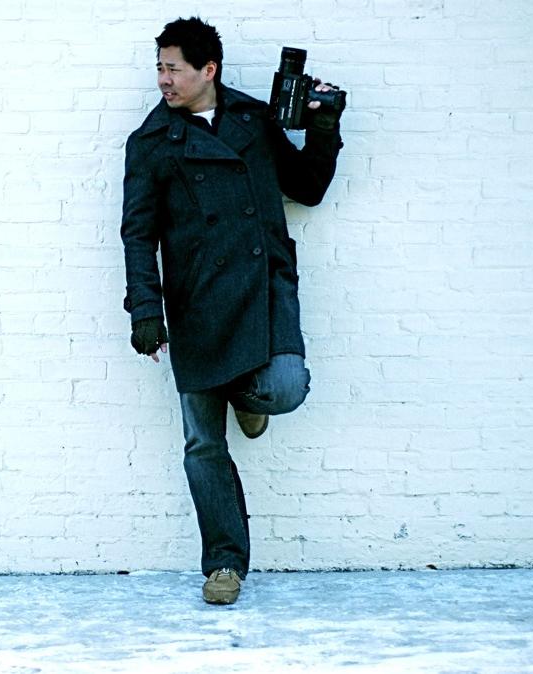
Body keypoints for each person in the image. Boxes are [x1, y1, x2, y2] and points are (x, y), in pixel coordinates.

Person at [119, 17, 343, 605]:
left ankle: (248, 397)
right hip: (195, 299)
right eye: (159, 68)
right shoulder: (152, 142)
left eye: (174, 69)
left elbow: (308, 188)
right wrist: (145, 309)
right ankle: (224, 565)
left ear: (208, 70)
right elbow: (138, 234)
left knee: (286, 387)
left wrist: (324, 127)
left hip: (264, 285)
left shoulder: (253, 121)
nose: (163, 80)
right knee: (203, 444)